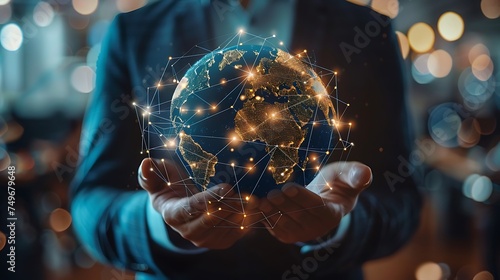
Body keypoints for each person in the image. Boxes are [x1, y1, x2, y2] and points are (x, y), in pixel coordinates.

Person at [71, 0, 422, 279]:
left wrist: (339, 225)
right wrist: (160, 224)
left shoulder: (368, 31)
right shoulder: (133, 32)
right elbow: (91, 203)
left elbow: (401, 200)